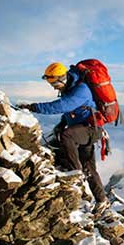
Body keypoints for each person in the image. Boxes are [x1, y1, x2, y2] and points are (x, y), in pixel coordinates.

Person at [17, 62, 110, 215]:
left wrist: (33, 107)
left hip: (91, 130)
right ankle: (102, 200)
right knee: (89, 165)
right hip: (85, 129)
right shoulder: (70, 89)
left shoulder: (81, 89)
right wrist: (62, 123)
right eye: (50, 82)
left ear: (62, 77)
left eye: (54, 82)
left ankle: (75, 173)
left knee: (67, 137)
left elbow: (63, 106)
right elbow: (73, 111)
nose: (53, 86)